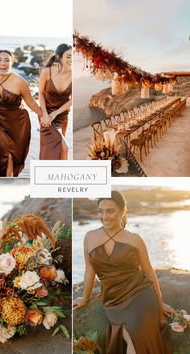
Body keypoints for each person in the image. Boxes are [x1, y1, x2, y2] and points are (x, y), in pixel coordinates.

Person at [73, 191, 175, 354]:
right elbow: (89, 271)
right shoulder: (89, 237)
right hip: (113, 299)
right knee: (128, 331)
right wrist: (84, 298)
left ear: (122, 211)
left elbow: (148, 272)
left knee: (133, 333)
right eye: (101, 211)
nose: (104, 216)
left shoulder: (135, 239)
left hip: (140, 292)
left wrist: (160, 302)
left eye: (110, 211)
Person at [0, 50, 43, 177]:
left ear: (12, 62)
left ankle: (9, 179)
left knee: (14, 157)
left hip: (18, 124)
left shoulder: (20, 81)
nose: (3, 63)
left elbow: (31, 102)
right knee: (2, 155)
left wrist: (44, 117)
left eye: (7, 60)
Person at [39, 43, 72, 160]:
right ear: (59, 57)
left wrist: (56, 113)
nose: (71, 60)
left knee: (59, 149)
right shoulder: (47, 72)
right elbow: (41, 94)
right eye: (68, 56)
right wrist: (45, 115)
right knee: (64, 147)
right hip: (46, 115)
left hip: (62, 115)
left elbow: (72, 100)